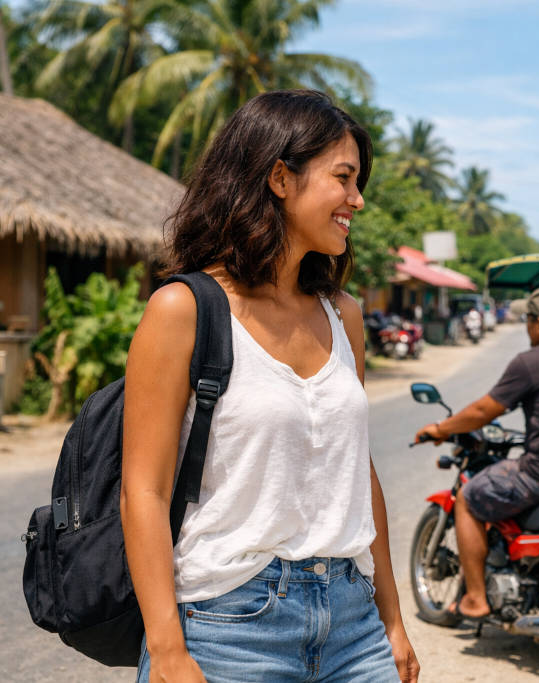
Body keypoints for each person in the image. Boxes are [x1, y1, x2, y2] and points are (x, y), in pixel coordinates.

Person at [122, 90, 418, 683]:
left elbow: (358, 473)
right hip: (228, 624)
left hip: (353, 624)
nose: (357, 200)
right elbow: (143, 492)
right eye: (344, 177)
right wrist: (169, 649)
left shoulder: (343, 314)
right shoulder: (183, 310)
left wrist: (391, 620)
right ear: (280, 178)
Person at [414, 286, 539, 619]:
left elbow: (485, 410)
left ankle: (475, 598)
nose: (528, 327)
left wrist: (441, 429)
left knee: (470, 498)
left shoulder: (532, 362)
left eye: (528, 320)